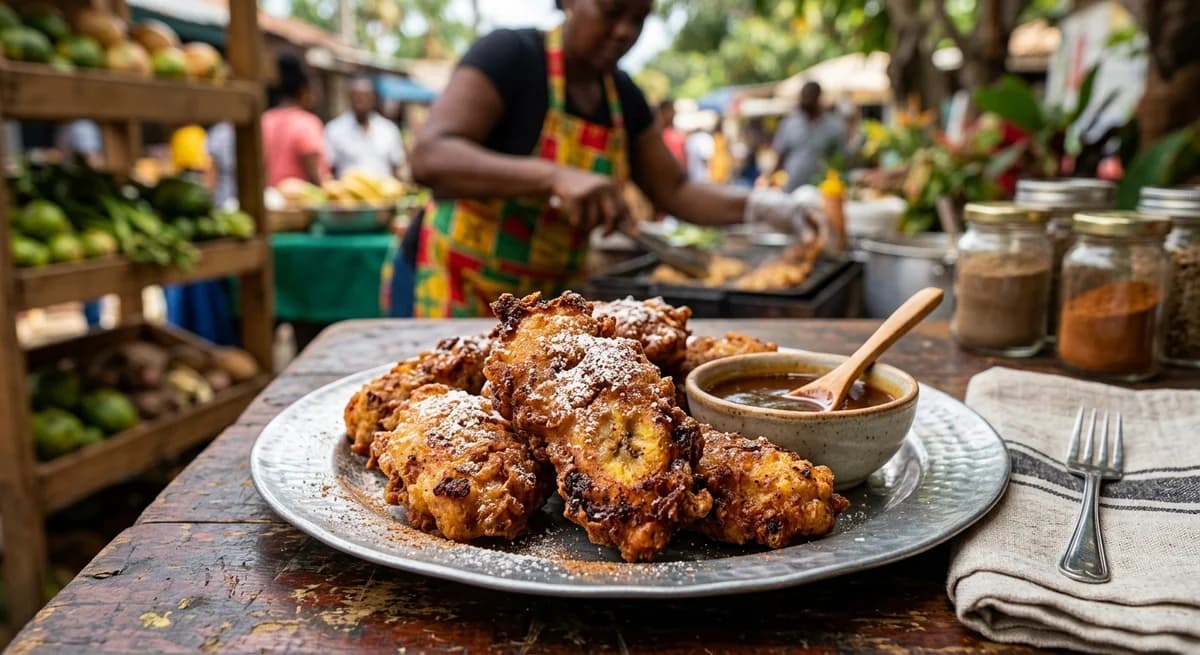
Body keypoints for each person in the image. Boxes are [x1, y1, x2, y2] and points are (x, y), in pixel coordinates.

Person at [404, 0, 821, 317]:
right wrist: (554, 177)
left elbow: (676, 190)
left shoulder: (623, 96)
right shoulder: (511, 57)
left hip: (547, 301)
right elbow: (430, 156)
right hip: (463, 287)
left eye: (639, 18)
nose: (624, 31)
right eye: (611, 11)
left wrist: (761, 206)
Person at [262, 53, 327, 187]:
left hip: (270, 201)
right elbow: (314, 175)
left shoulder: (264, 120)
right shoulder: (307, 123)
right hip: (299, 204)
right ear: (304, 91)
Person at [325, 77, 407, 179]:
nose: (361, 101)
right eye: (357, 97)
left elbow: (398, 165)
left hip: (383, 192)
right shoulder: (334, 129)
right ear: (350, 98)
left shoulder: (388, 129)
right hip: (348, 193)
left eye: (366, 96)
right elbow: (329, 167)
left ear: (374, 99)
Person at [772, 81, 846, 192]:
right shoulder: (789, 123)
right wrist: (771, 179)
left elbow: (840, 159)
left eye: (810, 96)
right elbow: (780, 155)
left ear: (818, 98)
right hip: (792, 187)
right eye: (804, 96)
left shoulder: (833, 127)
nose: (806, 101)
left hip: (822, 188)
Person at [657, 99, 686, 165]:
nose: (674, 113)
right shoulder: (658, 134)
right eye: (671, 110)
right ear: (663, 112)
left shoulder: (674, 132)